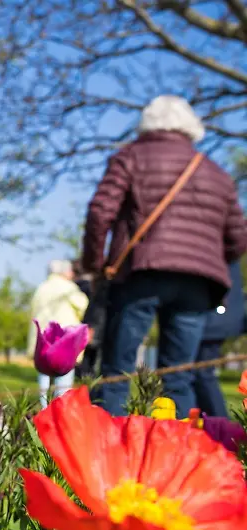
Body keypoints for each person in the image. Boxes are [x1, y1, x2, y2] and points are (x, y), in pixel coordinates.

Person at [82, 95, 247, 418]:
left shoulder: (129, 158)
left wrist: (94, 264)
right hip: (197, 285)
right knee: (178, 377)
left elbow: (100, 211)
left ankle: (103, 455)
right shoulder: (216, 174)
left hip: (142, 274)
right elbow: (239, 238)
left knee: (117, 370)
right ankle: (180, 458)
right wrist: (205, 259)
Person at [28, 260, 89, 407]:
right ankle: (59, 414)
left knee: (43, 381)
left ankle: (44, 412)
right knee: (63, 383)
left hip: (42, 341)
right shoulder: (69, 288)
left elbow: (33, 309)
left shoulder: (41, 288)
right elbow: (83, 305)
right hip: (63, 341)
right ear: (65, 272)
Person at [189, 261, 245, 418]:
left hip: (215, 311)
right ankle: (205, 427)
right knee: (192, 374)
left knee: (200, 373)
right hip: (213, 309)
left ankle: (219, 429)